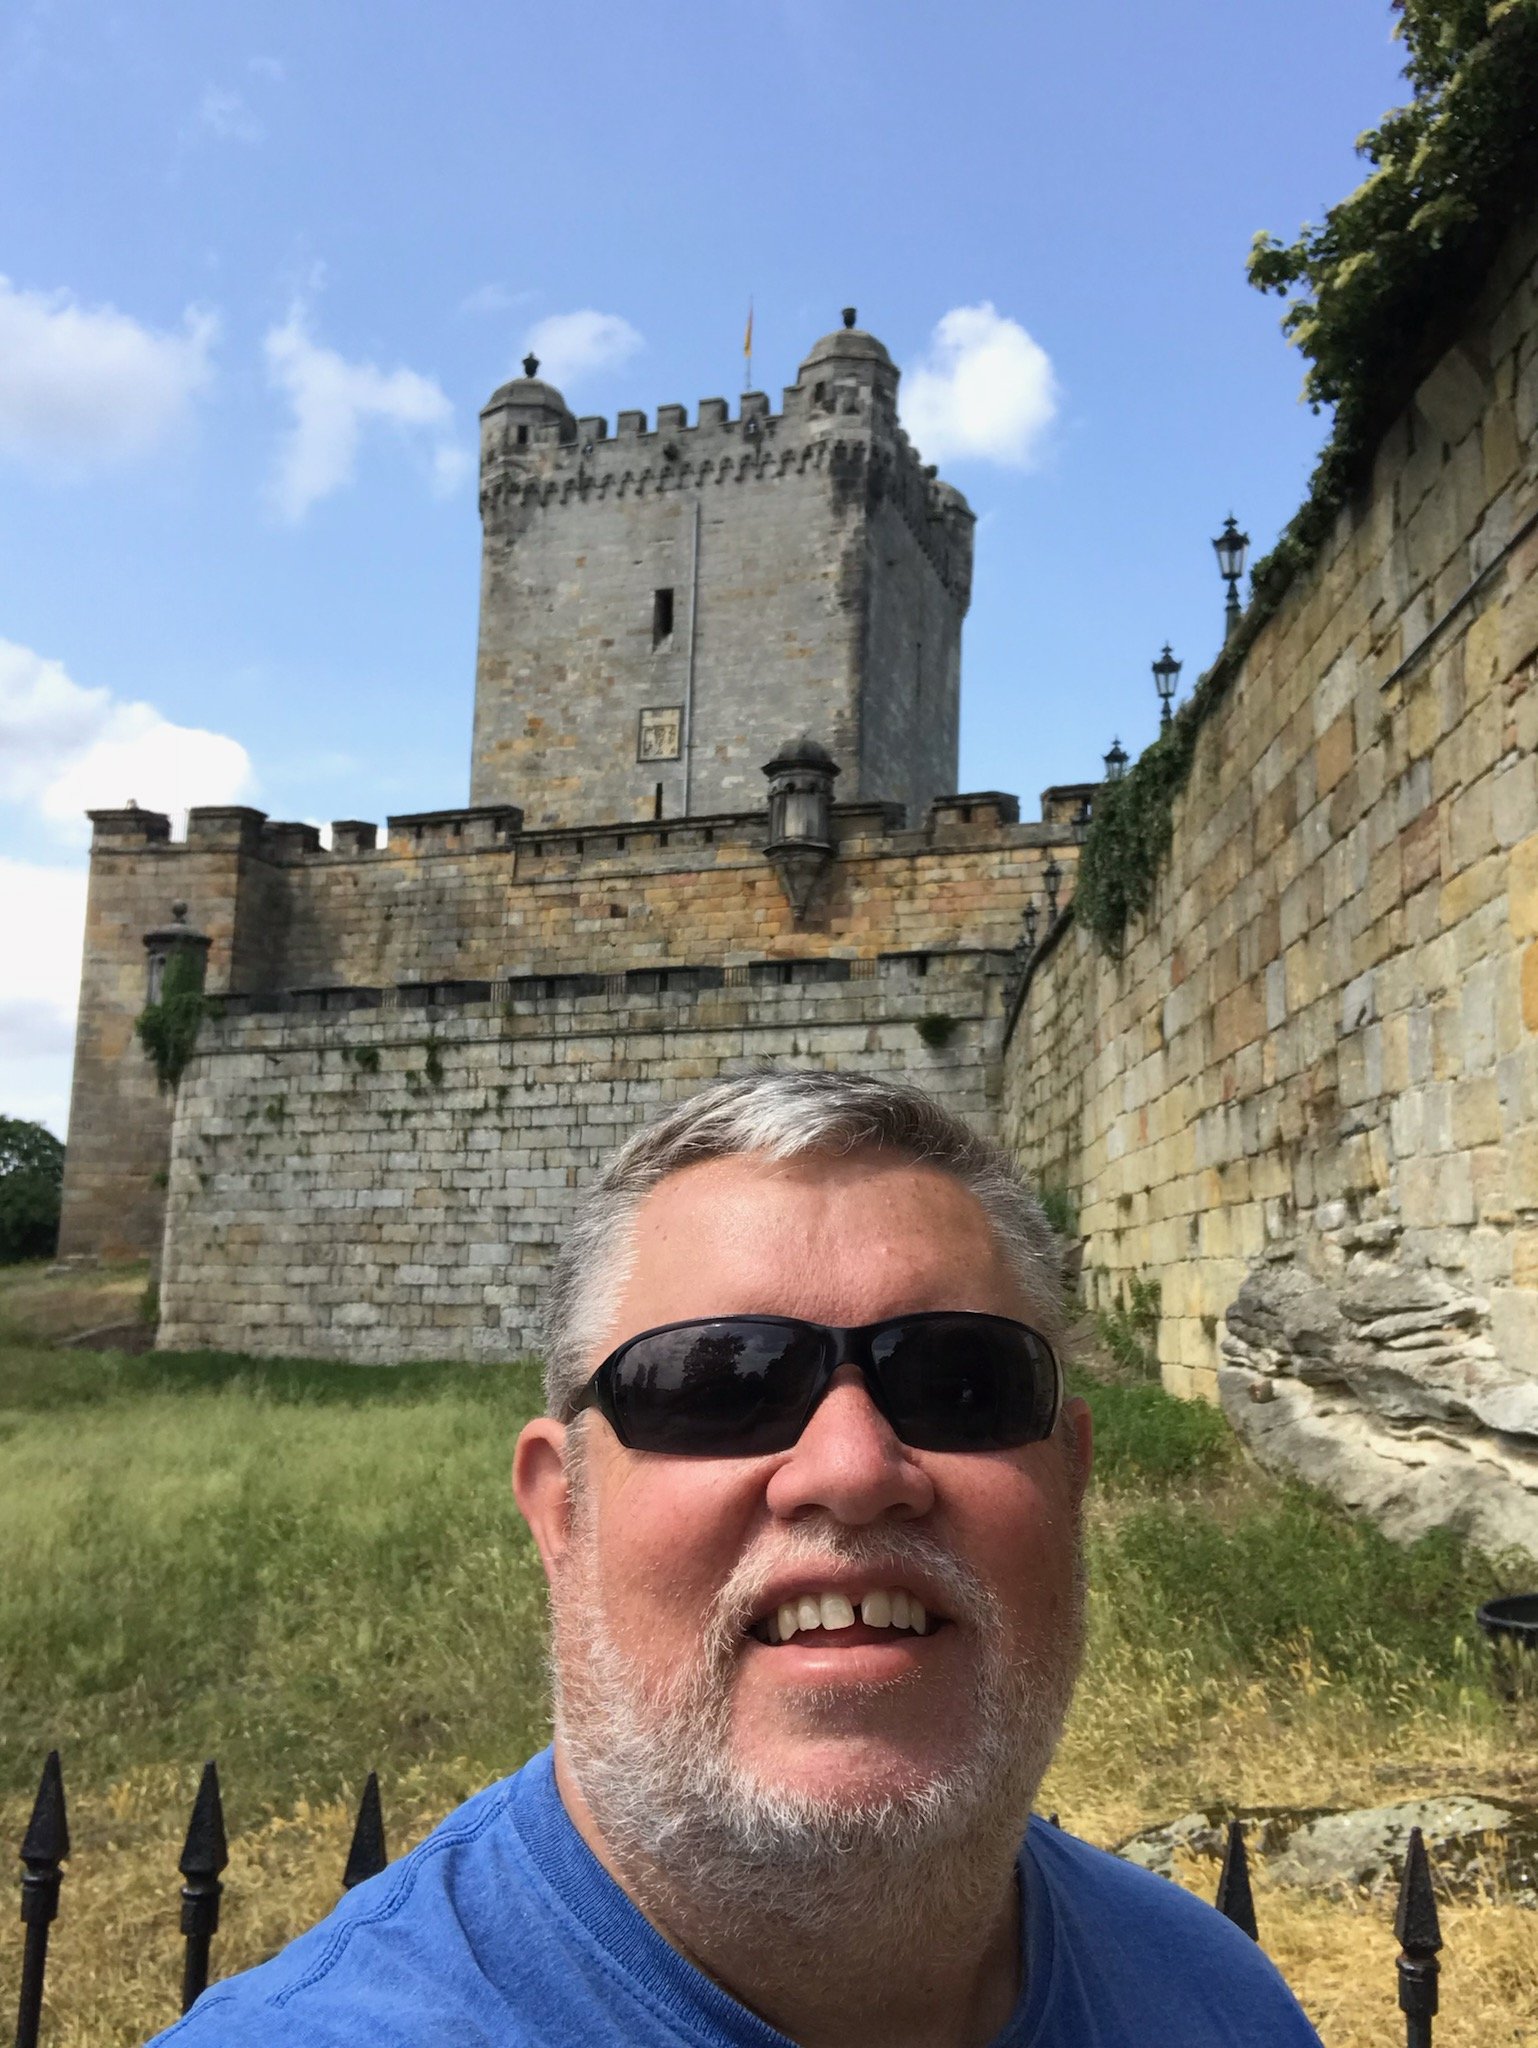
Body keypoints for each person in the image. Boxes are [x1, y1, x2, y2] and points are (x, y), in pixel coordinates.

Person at [153, 1070, 1321, 2046]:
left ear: (1069, 1478)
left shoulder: (1220, 1998)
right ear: (561, 1511)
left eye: (960, 1380)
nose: (852, 1466)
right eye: (718, 1382)